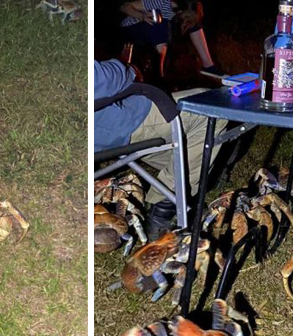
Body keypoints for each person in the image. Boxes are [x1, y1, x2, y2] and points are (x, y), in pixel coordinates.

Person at [94, 59, 224, 237]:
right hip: (120, 128)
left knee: (184, 149)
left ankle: (200, 176)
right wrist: (127, 67)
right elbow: (101, 78)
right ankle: (166, 206)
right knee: (212, 108)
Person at [119, 0, 224, 79]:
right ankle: (159, 75)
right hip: (133, 27)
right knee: (161, 25)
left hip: (155, 29)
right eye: (185, 18)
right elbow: (125, 6)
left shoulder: (185, 6)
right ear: (180, 11)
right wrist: (142, 16)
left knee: (194, 24)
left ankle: (208, 66)